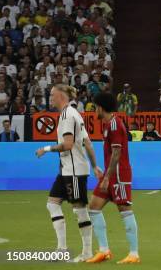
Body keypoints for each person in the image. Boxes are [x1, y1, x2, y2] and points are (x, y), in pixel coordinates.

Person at [35, 84, 102, 262]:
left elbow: (68, 145)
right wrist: (94, 165)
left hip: (74, 171)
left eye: (52, 94)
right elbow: (87, 142)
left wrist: (46, 149)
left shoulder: (66, 115)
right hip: (68, 169)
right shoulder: (75, 113)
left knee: (79, 209)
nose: (50, 98)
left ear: (61, 96)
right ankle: (61, 249)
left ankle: (87, 251)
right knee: (52, 203)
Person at [86, 92, 140, 264]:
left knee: (125, 210)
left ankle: (134, 254)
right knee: (93, 206)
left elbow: (117, 152)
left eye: (95, 107)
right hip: (111, 174)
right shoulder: (109, 124)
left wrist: (108, 177)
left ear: (101, 107)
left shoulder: (115, 125)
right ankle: (104, 250)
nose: (94, 110)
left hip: (118, 175)